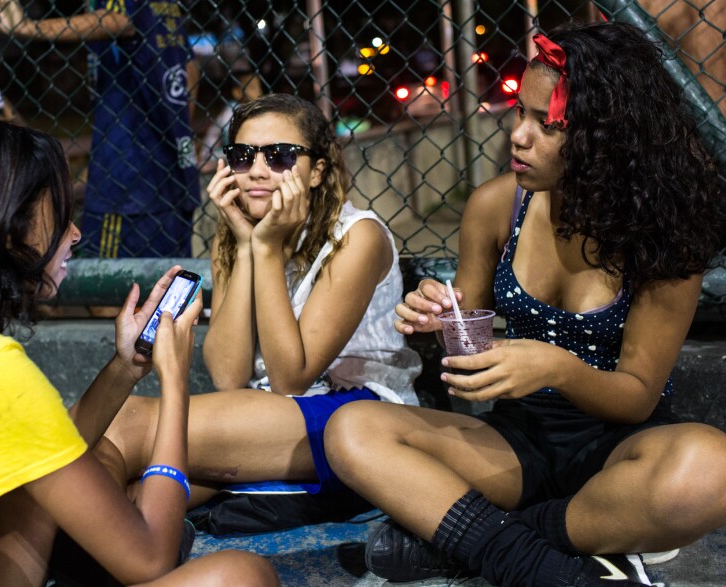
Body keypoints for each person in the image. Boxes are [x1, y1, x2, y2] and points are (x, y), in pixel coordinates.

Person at [323, 21, 726, 587]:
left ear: (607, 136)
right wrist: (437, 320)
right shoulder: (495, 207)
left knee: (713, 471)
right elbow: (474, 343)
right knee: (351, 430)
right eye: (520, 112)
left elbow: (636, 397)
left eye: (548, 124)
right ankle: (550, 565)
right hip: (515, 444)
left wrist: (555, 365)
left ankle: (480, 542)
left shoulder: (663, 233)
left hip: (618, 449)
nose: (518, 135)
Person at [0, 119, 279, 587]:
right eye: (59, 214)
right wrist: (174, 383)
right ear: (5, 227)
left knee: (57, 478)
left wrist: (125, 367)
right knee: (240, 575)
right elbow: (150, 558)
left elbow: (47, 449)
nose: (74, 233)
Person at [95, 93, 422, 511]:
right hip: (266, 410)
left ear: (317, 171)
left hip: (357, 413)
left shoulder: (358, 237)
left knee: (125, 427)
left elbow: (292, 379)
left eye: (281, 157)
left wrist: (265, 249)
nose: (258, 171)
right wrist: (247, 248)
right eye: (243, 156)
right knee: (129, 493)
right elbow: (228, 374)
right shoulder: (236, 234)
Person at [0, 0, 200, 258]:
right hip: (171, 176)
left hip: (127, 187)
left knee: (110, 288)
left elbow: (118, 19)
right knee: (169, 286)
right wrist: (177, 128)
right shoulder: (166, 6)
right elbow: (190, 69)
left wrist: (26, 27)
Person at [199, 62, 264, 172]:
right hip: (218, 153)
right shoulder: (232, 111)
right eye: (252, 88)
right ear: (237, 92)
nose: (259, 92)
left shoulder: (257, 111)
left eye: (259, 87)